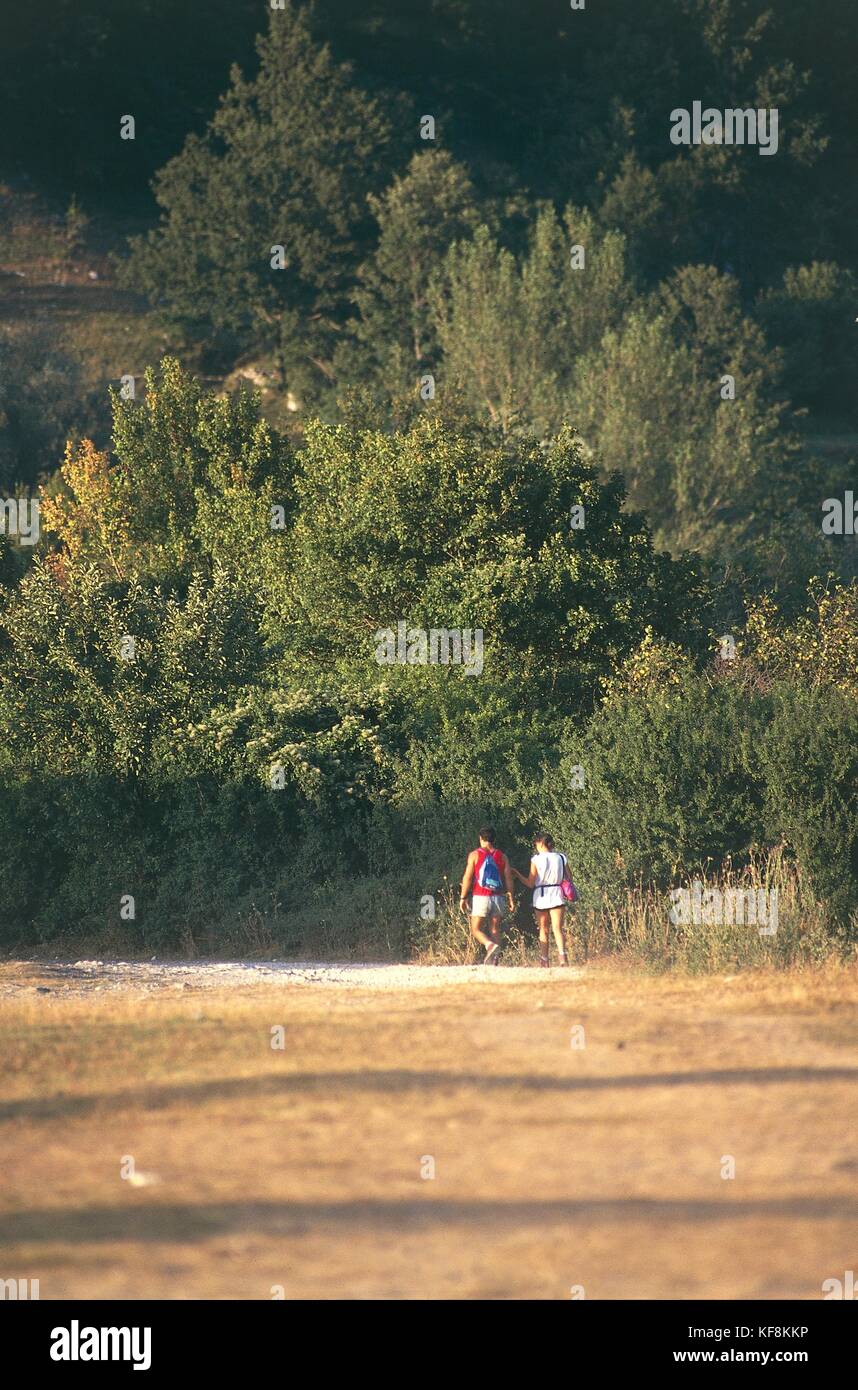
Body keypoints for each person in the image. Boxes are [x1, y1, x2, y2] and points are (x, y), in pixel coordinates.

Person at [512, 832, 570, 967]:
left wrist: (517, 875)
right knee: (557, 928)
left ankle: (544, 961)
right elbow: (569, 878)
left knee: (543, 929)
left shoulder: (536, 859)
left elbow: (530, 883)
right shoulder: (561, 857)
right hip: (557, 893)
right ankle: (563, 959)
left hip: (541, 896)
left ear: (541, 843)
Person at [459, 825, 516, 965]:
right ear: (494, 839)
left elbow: (467, 877)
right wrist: (511, 897)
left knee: (476, 929)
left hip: (480, 896)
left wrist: (463, 897)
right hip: (498, 897)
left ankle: (489, 945)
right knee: (495, 928)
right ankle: (495, 960)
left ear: (480, 838)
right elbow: (508, 878)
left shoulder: (474, 855)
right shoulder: (502, 856)